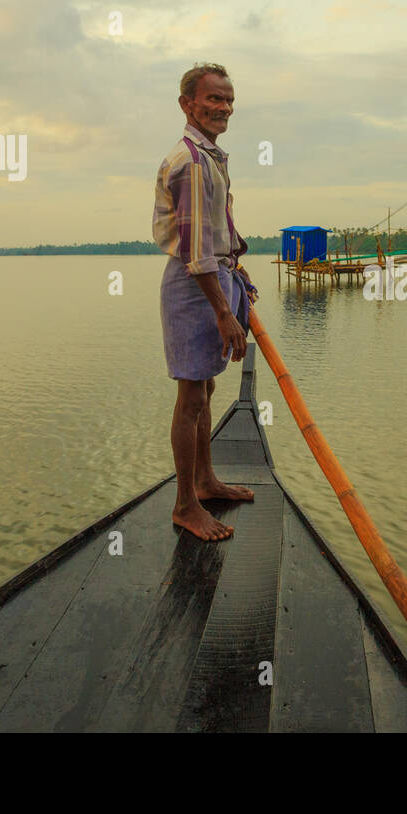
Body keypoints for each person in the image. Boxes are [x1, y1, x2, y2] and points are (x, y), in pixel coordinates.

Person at [152, 62, 260, 541]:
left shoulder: (210, 156)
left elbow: (214, 235)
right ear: (187, 104)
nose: (224, 108)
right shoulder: (192, 162)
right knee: (190, 396)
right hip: (195, 286)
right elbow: (195, 251)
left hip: (213, 276)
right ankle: (185, 506)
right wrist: (222, 311)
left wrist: (236, 263)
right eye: (214, 99)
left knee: (207, 391)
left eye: (229, 100)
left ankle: (205, 480)